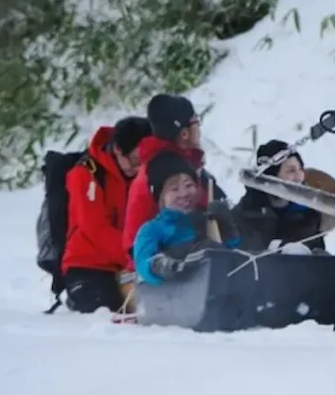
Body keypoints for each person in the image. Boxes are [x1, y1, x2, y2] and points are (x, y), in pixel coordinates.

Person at [121, 93, 231, 261]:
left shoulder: (183, 164)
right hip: (159, 266)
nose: (199, 128)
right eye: (196, 122)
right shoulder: (165, 172)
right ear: (184, 133)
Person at [61, 116, 153, 313]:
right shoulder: (86, 174)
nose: (140, 169)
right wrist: (136, 255)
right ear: (119, 149)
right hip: (89, 266)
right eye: (136, 161)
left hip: (131, 266)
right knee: (111, 315)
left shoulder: (142, 176)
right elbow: (95, 230)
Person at [132, 152, 241, 285]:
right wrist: (158, 266)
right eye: (174, 189)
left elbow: (234, 257)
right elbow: (142, 263)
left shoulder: (206, 219)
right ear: (160, 196)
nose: (184, 194)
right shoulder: (152, 229)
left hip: (220, 291)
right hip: (178, 297)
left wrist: (227, 227)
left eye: (188, 185)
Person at [232, 139, 327, 253]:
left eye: (301, 169)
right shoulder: (242, 216)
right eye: (291, 171)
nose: (299, 177)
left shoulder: (308, 214)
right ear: (271, 175)